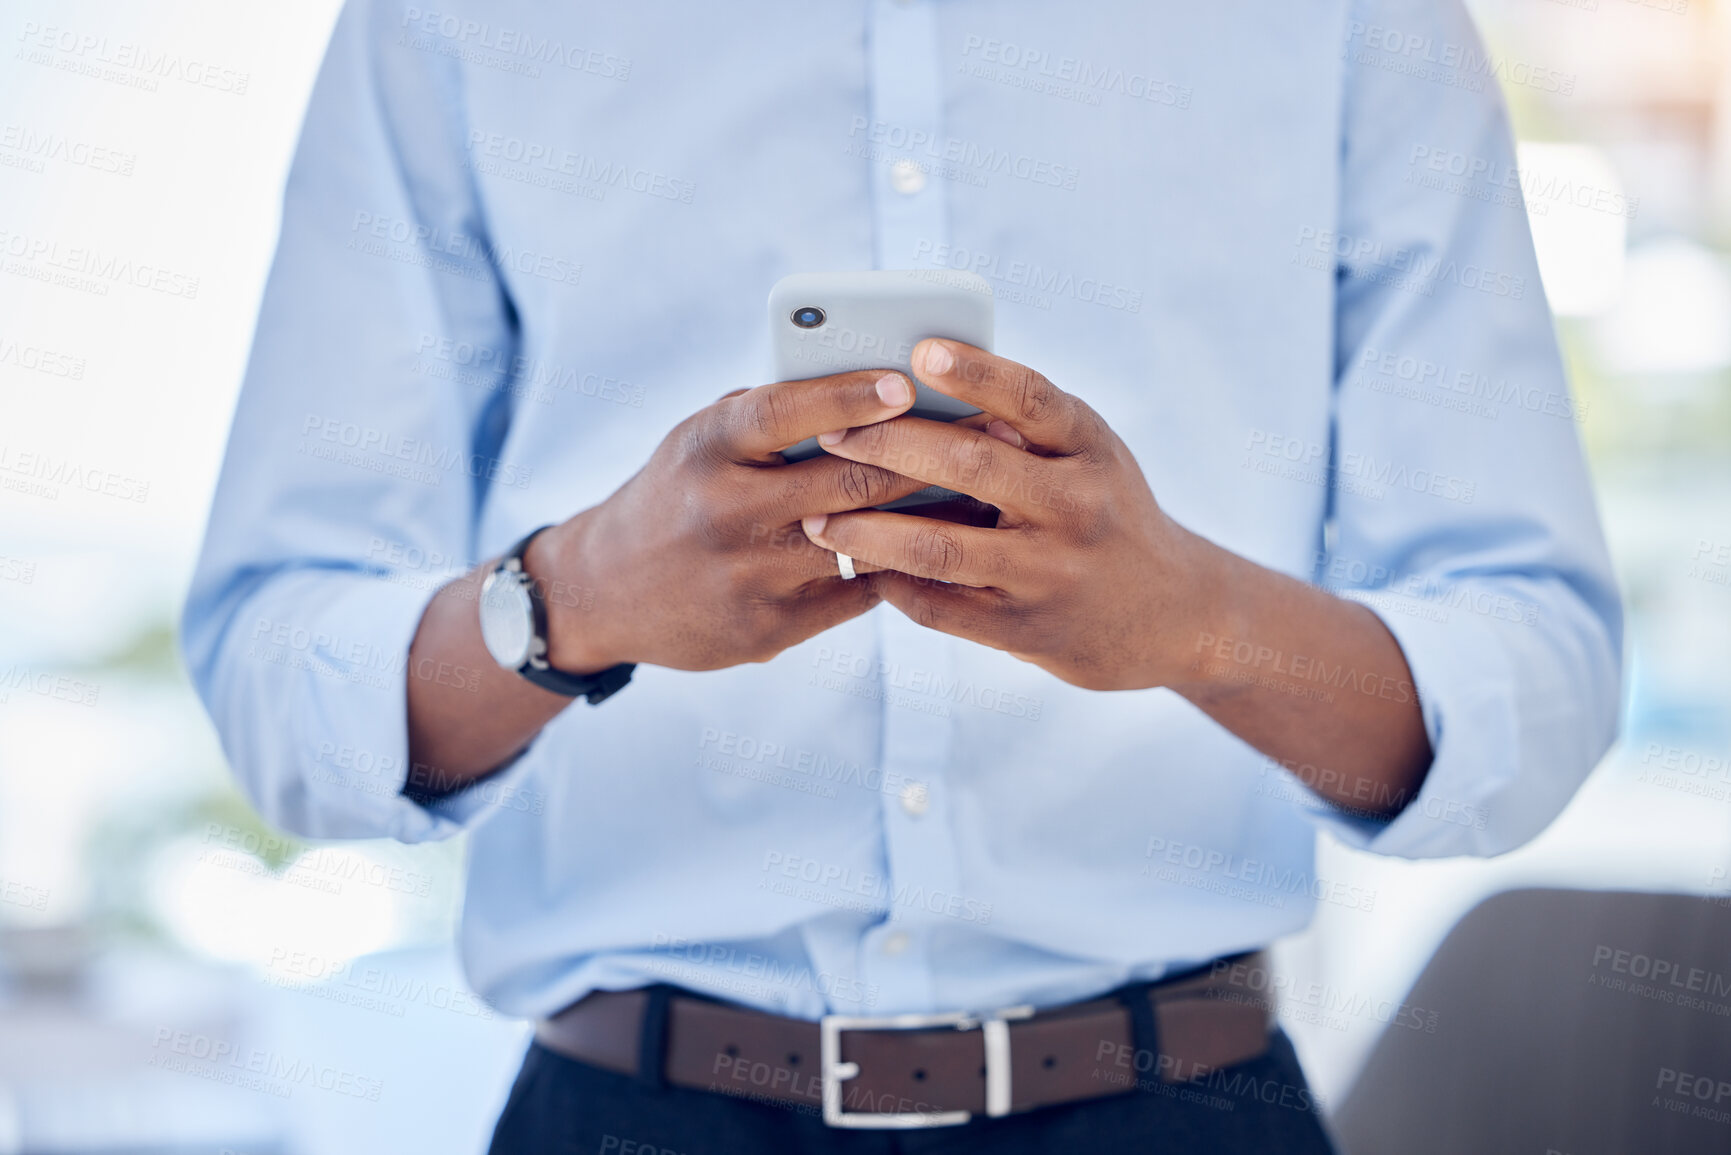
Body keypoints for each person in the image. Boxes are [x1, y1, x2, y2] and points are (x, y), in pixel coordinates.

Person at [183, 0, 1622, 1150]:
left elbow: (1533, 670)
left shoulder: (1355, 19)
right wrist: (574, 601)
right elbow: (280, 679)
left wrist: (1201, 622)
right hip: (629, 1114)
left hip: (1180, 1108)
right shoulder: (444, 20)